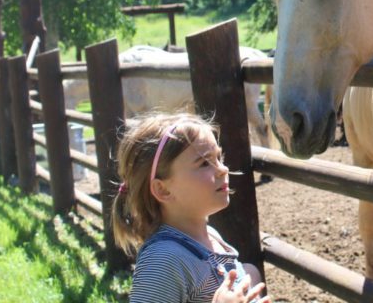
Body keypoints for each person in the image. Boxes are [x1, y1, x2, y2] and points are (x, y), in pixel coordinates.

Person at [112, 112, 271, 303]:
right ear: (162, 190)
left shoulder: (210, 236)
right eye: (204, 163)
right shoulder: (163, 259)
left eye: (219, 158)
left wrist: (250, 277)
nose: (223, 169)